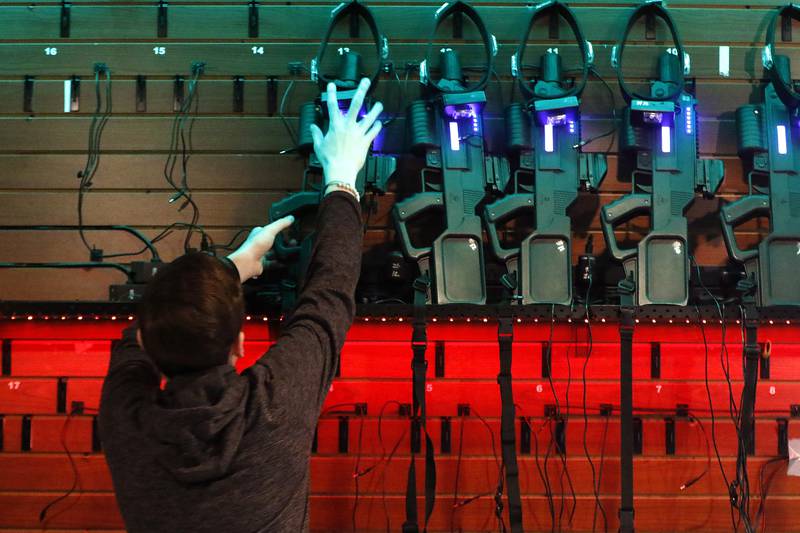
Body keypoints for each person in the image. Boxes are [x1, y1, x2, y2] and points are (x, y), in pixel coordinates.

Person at [98, 78, 383, 533]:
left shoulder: (128, 421)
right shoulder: (270, 407)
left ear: (149, 347)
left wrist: (231, 269)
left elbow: (326, 301)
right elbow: (330, 294)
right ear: (240, 343)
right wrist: (343, 176)